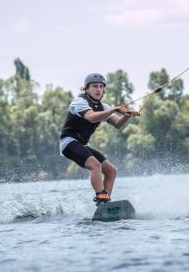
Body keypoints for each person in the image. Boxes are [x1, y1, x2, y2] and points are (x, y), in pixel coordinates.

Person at [59, 73, 140, 206]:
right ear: (87, 88)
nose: (98, 89)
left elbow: (118, 124)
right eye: (94, 86)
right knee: (95, 165)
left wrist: (127, 115)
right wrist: (113, 109)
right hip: (68, 143)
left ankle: (105, 204)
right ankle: (101, 197)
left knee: (111, 171)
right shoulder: (79, 102)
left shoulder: (104, 107)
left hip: (83, 145)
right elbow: (91, 117)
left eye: (101, 87)